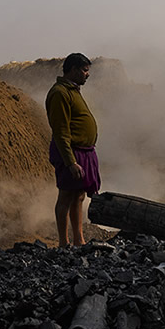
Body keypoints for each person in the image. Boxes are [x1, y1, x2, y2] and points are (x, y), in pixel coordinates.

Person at [45, 53, 101, 247]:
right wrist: (70, 162)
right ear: (74, 70)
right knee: (66, 195)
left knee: (79, 195)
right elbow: (61, 131)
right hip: (71, 152)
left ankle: (79, 240)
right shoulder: (60, 92)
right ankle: (63, 242)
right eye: (85, 70)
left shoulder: (73, 90)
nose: (87, 75)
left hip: (83, 151)